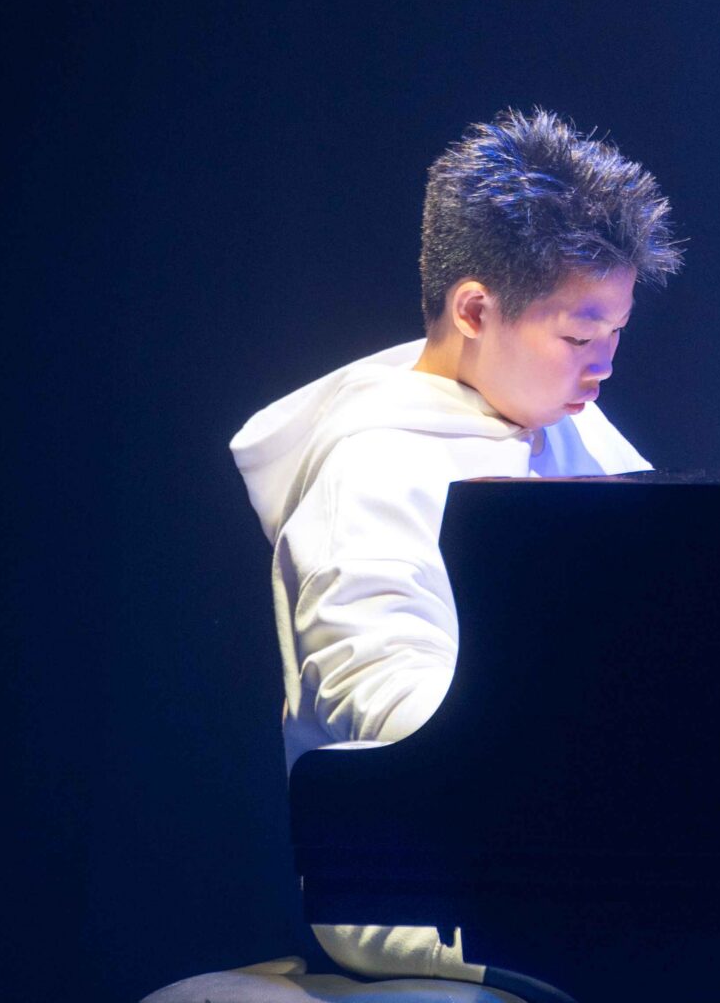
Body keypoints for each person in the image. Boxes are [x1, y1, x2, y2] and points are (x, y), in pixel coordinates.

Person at [229, 108, 681, 990]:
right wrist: (602, 757)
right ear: (475, 309)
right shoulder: (372, 465)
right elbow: (386, 701)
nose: (604, 366)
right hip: (434, 879)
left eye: (617, 333)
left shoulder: (554, 418)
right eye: (580, 336)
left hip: (585, 828)